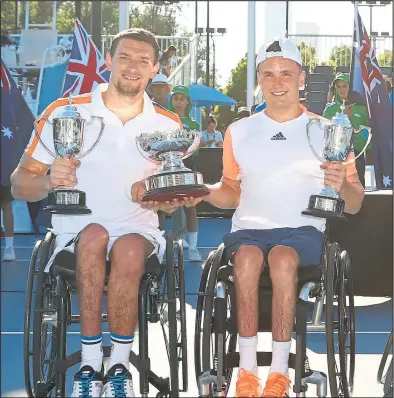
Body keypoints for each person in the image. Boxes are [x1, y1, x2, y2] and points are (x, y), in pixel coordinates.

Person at [135, 37, 365, 396]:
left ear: (301, 79)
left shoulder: (329, 130)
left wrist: (342, 185)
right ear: (259, 79)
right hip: (249, 231)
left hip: (303, 230)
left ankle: (278, 374)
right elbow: (230, 192)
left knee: (282, 258)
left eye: (286, 73)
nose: (277, 82)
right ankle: (245, 372)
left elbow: (354, 202)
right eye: (268, 74)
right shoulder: (238, 131)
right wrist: (202, 191)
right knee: (247, 260)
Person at [11, 28, 181, 398]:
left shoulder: (168, 125)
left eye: (142, 60)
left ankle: (117, 367)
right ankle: (89, 367)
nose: (132, 67)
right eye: (124, 57)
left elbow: (171, 198)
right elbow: (19, 184)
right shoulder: (64, 112)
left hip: (139, 233)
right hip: (76, 233)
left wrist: (164, 198)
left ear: (154, 69)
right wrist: (51, 182)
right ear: (108, 61)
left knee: (130, 249)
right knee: (94, 236)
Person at [167, 85, 202, 261]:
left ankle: (193, 247)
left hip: (188, 165)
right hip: (170, 166)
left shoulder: (194, 124)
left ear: (187, 101)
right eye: (176, 98)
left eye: (182, 98)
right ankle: (163, 244)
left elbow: (195, 150)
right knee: (168, 206)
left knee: (190, 206)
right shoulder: (166, 121)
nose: (179, 102)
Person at [323, 73, 370, 187]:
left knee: (357, 188)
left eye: (344, 86)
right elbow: (324, 132)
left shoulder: (363, 108)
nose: (341, 89)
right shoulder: (330, 109)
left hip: (357, 156)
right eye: (338, 86)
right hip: (334, 158)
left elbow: (367, 131)